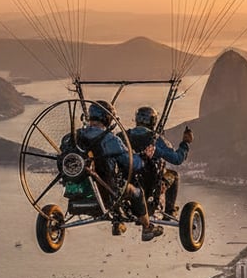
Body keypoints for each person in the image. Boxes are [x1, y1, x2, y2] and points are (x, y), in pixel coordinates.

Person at [77, 101, 163, 242]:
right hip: (105, 191)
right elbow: (132, 164)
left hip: (80, 191)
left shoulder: (75, 137)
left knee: (116, 186)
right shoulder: (110, 140)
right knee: (136, 192)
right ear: (107, 118)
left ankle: (117, 222)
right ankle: (147, 227)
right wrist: (144, 157)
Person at [127, 105, 193, 219]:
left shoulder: (124, 136)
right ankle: (169, 211)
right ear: (153, 122)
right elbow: (177, 159)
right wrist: (185, 143)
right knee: (174, 175)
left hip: (129, 181)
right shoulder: (156, 139)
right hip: (151, 184)